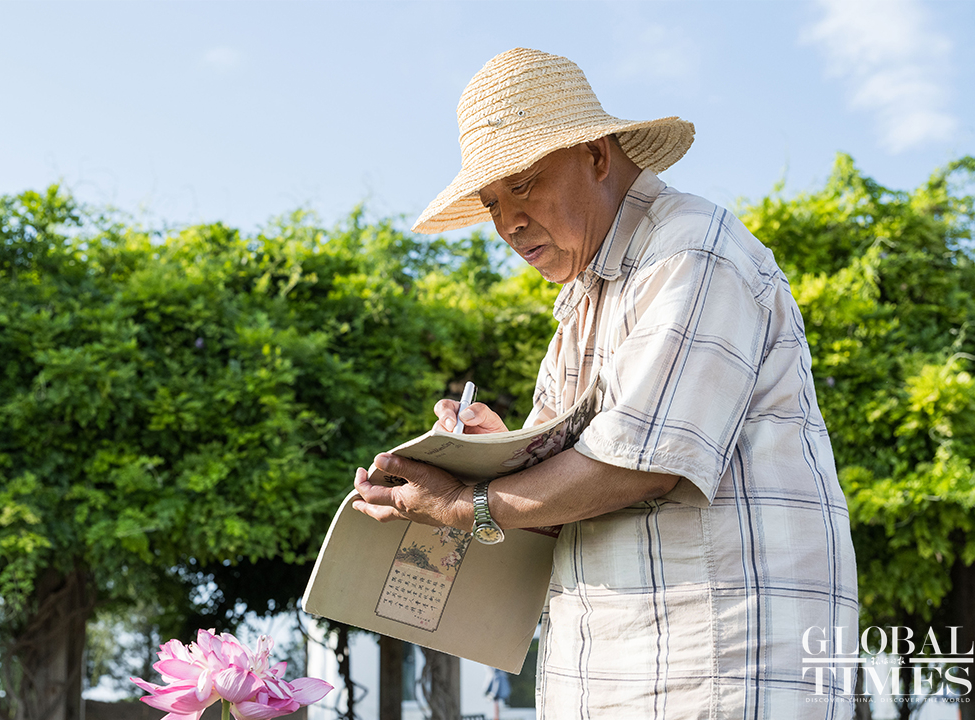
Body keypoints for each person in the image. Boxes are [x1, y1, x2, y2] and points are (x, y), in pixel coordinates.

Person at [352, 48, 859, 718]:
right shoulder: (584, 302)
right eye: (492, 200)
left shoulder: (690, 251)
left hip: (716, 669)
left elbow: (636, 467)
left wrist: (462, 502)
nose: (507, 223)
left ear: (596, 156)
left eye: (524, 184)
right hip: (615, 672)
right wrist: (504, 448)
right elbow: (564, 496)